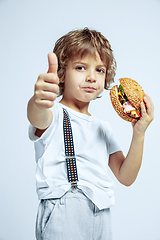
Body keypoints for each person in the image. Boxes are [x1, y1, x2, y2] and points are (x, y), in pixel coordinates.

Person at [27, 28, 154, 240]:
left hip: (101, 212)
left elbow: (126, 176)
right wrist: (38, 101)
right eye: (80, 67)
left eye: (100, 70)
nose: (91, 77)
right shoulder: (54, 114)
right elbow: (37, 117)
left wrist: (139, 134)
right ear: (61, 73)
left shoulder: (102, 127)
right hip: (64, 208)